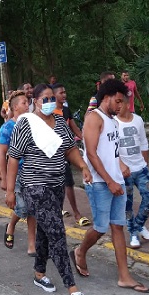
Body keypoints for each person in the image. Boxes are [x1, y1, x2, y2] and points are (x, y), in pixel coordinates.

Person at [6, 84, 92, 295]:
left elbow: (69, 149)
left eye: (51, 98)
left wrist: (82, 166)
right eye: (44, 99)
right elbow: (13, 158)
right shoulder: (26, 123)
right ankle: (72, 288)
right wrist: (8, 190)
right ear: (35, 101)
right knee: (57, 233)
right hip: (35, 187)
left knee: (45, 232)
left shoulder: (60, 121)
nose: (49, 102)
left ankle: (39, 273)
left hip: (56, 186)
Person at [74, 79, 149, 293]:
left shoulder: (113, 121)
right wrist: (109, 180)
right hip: (100, 183)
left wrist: (121, 167)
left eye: (123, 102)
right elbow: (91, 153)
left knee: (118, 226)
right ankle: (80, 251)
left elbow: (111, 152)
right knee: (100, 227)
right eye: (117, 101)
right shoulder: (93, 118)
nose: (120, 106)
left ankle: (124, 277)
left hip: (116, 181)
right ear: (107, 97)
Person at [0, 90, 37, 254]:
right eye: (23, 103)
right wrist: (4, 178)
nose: (27, 105)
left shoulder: (34, 123)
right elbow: (1, 153)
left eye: (28, 103)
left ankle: (31, 245)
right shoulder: (7, 127)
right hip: (17, 173)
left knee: (32, 208)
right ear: (14, 107)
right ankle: (11, 225)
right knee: (22, 208)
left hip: (33, 171)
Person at [116, 97, 149, 249]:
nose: (116, 106)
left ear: (126, 103)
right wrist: (121, 165)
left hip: (141, 168)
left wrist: (145, 162)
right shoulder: (112, 122)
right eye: (114, 102)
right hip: (125, 173)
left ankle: (139, 225)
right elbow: (111, 149)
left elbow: (143, 142)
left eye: (119, 102)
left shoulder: (138, 120)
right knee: (128, 205)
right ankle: (133, 234)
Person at [51, 83, 86, 224]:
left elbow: (74, 128)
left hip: (68, 151)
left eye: (65, 92)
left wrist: (87, 139)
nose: (64, 95)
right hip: (54, 153)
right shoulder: (50, 113)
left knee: (69, 182)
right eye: (61, 93)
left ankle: (76, 212)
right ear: (54, 96)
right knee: (58, 183)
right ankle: (67, 211)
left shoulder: (66, 110)